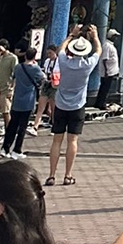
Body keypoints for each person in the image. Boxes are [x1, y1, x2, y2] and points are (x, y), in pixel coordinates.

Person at [45, 25, 98, 186]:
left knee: (56, 141)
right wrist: (95, 37)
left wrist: (70, 35)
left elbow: (61, 49)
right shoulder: (87, 65)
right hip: (78, 106)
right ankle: (68, 175)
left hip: (61, 105)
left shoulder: (64, 62)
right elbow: (98, 52)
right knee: (72, 141)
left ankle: (51, 175)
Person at [1, 47, 45, 159]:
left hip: (17, 101)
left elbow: (13, 79)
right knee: (22, 127)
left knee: (12, 125)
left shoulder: (18, 67)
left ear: (25, 55)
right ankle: (17, 150)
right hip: (28, 102)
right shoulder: (35, 69)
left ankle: (5, 148)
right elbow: (43, 78)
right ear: (34, 57)